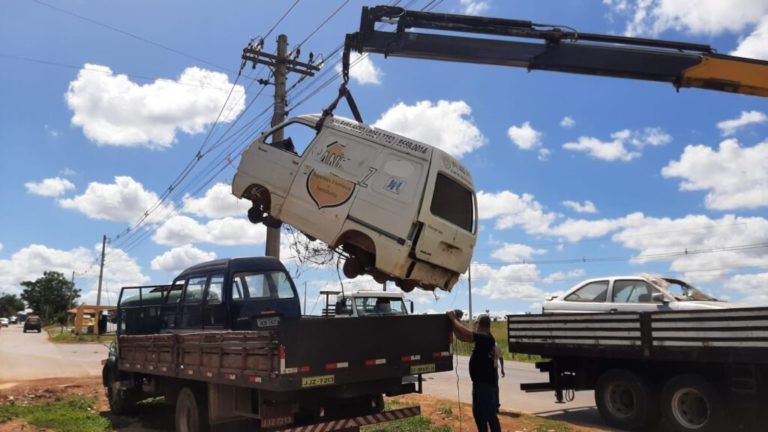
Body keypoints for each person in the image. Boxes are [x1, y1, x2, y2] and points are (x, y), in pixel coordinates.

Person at [447, 311, 501, 432]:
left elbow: (468, 334)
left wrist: (454, 319)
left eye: (476, 324)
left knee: (490, 416)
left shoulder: (486, 338)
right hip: (480, 384)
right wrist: (453, 324)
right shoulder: (484, 338)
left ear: (479, 324)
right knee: (479, 415)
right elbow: (463, 337)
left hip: (485, 386)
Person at [493, 343, 505, 412]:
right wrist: (502, 369)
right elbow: (501, 358)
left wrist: (502, 369)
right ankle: (495, 405)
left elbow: (501, 358)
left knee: (495, 388)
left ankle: (496, 405)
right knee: (494, 388)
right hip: (492, 369)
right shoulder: (496, 345)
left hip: (493, 369)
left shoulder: (496, 346)